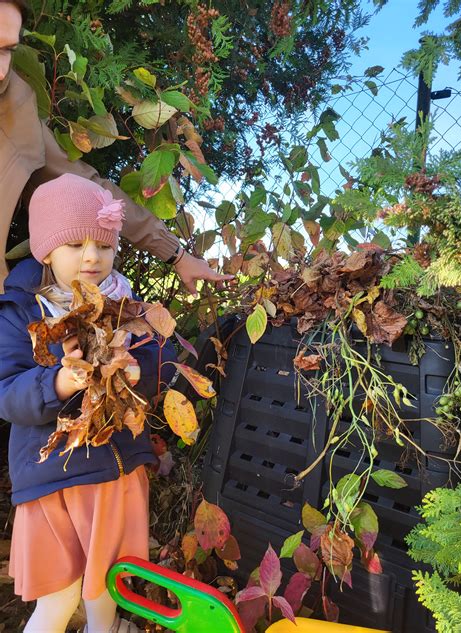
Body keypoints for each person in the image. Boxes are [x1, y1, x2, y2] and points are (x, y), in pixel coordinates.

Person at [0, 173, 177, 632]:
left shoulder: (126, 304)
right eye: (76, 245)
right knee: (57, 599)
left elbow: (164, 356)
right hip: (54, 478)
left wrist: (141, 369)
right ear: (46, 249)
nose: (92, 257)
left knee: (106, 592)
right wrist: (57, 382)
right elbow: (7, 392)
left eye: (104, 245)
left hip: (115, 473)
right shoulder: (24, 312)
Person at [0, 0, 234, 294]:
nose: (2, 70)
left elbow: (90, 192)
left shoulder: (13, 105)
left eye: (7, 50)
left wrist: (177, 254)